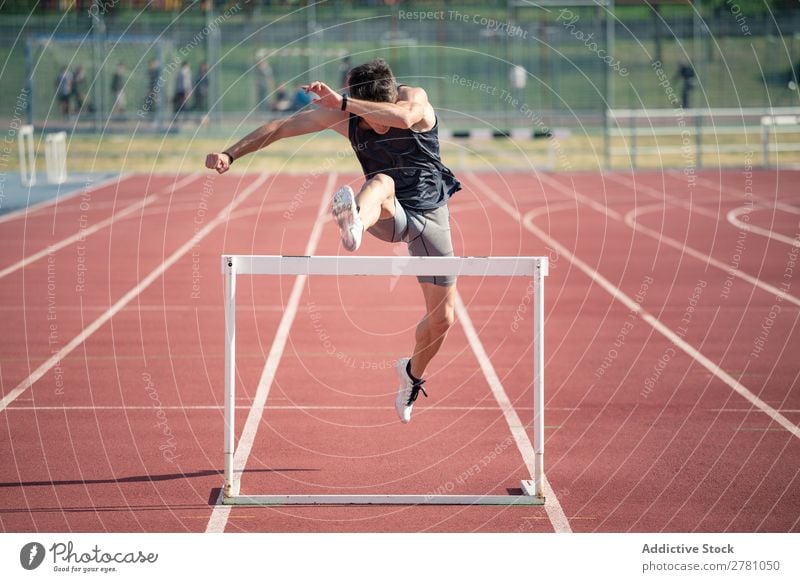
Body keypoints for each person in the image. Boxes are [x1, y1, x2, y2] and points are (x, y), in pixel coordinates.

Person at [205, 58, 461, 424]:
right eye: (370, 121)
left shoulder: (412, 99)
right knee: (382, 183)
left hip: (431, 213)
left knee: (443, 319)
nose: (375, 126)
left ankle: (410, 374)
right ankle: (353, 222)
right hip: (386, 213)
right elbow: (281, 127)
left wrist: (342, 103)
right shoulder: (348, 119)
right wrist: (231, 153)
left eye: (375, 117)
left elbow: (403, 118)